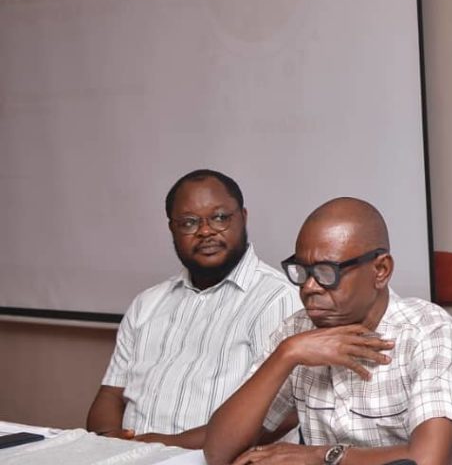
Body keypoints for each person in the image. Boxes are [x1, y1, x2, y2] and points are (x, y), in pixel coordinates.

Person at [203, 197, 452, 465]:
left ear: (380, 270)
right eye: (301, 271)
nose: (309, 287)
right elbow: (218, 452)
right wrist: (286, 354)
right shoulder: (297, 331)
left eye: (327, 272)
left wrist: (318, 457)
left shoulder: (426, 330)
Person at [86, 169, 301, 448]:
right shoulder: (147, 303)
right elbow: (111, 395)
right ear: (172, 229)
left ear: (243, 217)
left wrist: (163, 446)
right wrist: (107, 443)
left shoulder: (278, 299)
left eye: (220, 218)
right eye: (189, 223)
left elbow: (282, 416)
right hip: (127, 460)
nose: (205, 231)